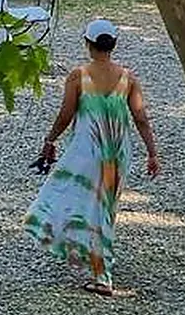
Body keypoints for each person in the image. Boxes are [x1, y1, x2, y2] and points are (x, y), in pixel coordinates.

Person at [24, 18, 160, 296]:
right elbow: (141, 118)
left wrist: (50, 139)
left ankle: (101, 274)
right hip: (118, 152)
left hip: (87, 151)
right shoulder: (128, 78)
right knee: (105, 209)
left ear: (88, 43)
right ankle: (95, 259)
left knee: (63, 194)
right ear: (113, 44)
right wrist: (152, 153)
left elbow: (66, 114)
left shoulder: (79, 76)